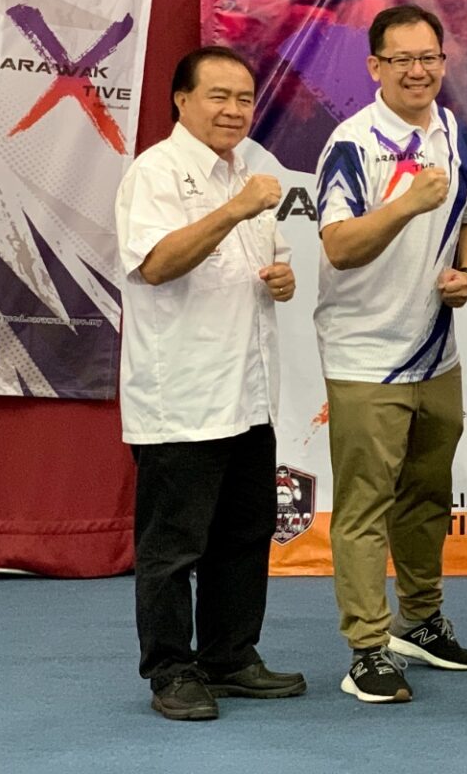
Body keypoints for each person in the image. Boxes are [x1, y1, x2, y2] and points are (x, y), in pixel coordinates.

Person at [115, 46, 306, 720]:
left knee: (244, 535)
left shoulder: (249, 172)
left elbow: (269, 265)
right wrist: (233, 211)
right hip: (182, 396)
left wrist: (282, 279)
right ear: (181, 100)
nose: (234, 110)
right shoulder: (156, 172)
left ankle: (229, 656)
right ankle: (170, 669)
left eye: (244, 98)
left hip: (248, 393)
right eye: (218, 96)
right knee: (173, 547)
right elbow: (157, 264)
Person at [313, 4, 467, 703]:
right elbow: (338, 246)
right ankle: (366, 648)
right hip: (364, 357)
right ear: (375, 67)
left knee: (426, 498)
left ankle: (420, 620)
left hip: (437, 355)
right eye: (402, 59)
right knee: (364, 508)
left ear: (444, 62)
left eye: (429, 58)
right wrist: (408, 204)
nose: (418, 71)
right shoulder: (352, 143)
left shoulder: (457, 134)